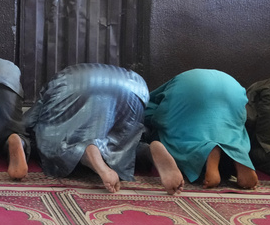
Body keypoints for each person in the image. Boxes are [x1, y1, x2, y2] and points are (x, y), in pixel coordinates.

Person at [27, 63, 182, 194]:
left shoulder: (57, 80)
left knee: (49, 141)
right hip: (134, 86)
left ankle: (84, 151)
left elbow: (29, 120)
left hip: (72, 84)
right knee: (126, 144)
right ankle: (149, 150)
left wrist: (21, 134)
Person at [144, 69, 258, 190]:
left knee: (170, 133)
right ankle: (239, 157)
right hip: (233, 88)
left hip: (189, 86)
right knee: (232, 129)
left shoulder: (149, 94)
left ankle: (207, 149)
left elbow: (153, 114)